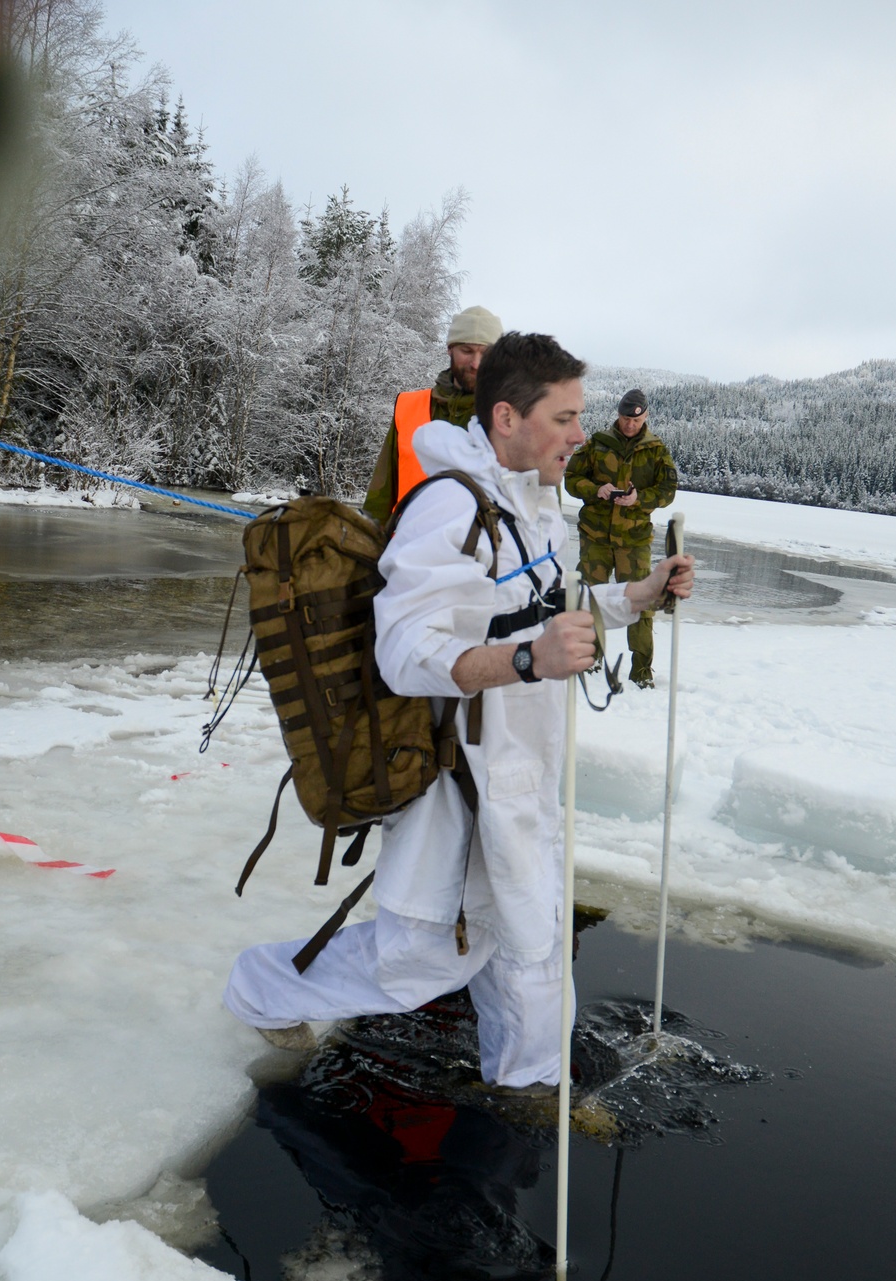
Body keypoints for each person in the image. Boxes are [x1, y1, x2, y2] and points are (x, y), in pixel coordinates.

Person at [224, 333, 694, 1090]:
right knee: (422, 958)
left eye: (583, 417)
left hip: (522, 775)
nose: (581, 435)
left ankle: (530, 1092)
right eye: (565, 417)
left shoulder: (538, 505)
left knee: (530, 946)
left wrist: (638, 595)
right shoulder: (449, 506)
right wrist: (524, 661)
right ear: (506, 417)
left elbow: (551, 606)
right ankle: (259, 986)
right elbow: (404, 653)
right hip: (462, 780)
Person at [564, 388, 677, 687]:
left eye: (636, 421)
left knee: (641, 602)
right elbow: (571, 479)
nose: (630, 425)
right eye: (626, 419)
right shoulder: (598, 444)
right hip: (596, 537)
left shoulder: (656, 450)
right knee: (589, 598)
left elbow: (668, 492)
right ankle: (589, 658)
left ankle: (641, 671)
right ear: (619, 415)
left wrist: (639, 498)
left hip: (634, 540)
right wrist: (595, 490)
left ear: (646, 416)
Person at [363, 304, 504, 524]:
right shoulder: (409, 407)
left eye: (485, 353)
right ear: (450, 349)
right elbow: (379, 498)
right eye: (466, 351)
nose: (476, 363)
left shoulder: (516, 418)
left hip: (484, 555)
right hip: (406, 551)